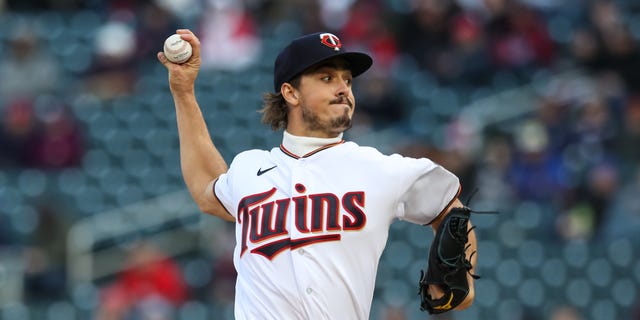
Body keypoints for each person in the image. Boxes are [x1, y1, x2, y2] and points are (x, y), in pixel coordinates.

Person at [157, 29, 477, 319]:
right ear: (290, 93)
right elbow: (206, 190)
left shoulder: (379, 168)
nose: (343, 89)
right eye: (327, 78)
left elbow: (449, 205)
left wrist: (455, 281)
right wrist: (184, 93)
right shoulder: (249, 168)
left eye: (347, 80)